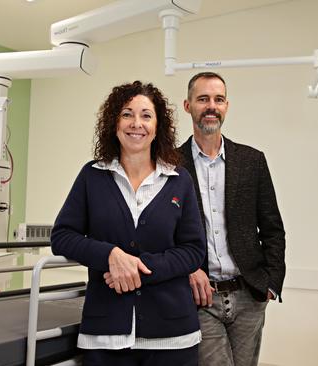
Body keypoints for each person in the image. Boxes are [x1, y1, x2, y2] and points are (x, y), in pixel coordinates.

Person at [50, 81, 206, 366]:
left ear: (158, 126)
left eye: (146, 115)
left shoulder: (178, 179)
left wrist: (138, 269)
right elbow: (62, 236)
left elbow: (194, 250)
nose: (137, 124)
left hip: (172, 335)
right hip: (105, 335)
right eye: (127, 114)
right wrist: (110, 256)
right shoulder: (92, 176)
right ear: (114, 122)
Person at [178, 72, 286, 366]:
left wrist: (271, 283)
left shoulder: (252, 161)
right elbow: (165, 234)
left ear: (226, 106)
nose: (211, 106)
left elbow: (273, 228)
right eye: (203, 99)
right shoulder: (170, 165)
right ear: (188, 106)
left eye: (218, 99)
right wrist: (187, 270)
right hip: (199, 297)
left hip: (248, 295)